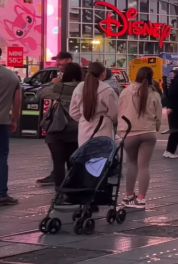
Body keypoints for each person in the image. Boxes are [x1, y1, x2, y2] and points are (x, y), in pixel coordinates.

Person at [118, 66, 163, 208]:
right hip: (148, 132)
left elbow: (119, 111)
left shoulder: (125, 92)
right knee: (144, 166)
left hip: (130, 132)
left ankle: (128, 195)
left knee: (131, 163)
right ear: (151, 77)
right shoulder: (154, 94)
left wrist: (121, 130)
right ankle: (141, 199)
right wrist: (154, 129)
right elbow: (159, 116)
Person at [36, 63, 82, 191]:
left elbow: (40, 93)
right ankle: (72, 190)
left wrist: (53, 82)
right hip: (75, 129)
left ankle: (60, 192)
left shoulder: (59, 87)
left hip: (57, 129)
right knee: (72, 162)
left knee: (58, 163)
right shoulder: (83, 88)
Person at [70, 62, 118, 146]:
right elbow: (114, 113)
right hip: (103, 130)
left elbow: (73, 112)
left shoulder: (79, 87)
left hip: (84, 131)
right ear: (103, 74)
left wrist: (84, 118)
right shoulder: (107, 89)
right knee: (103, 157)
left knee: (86, 156)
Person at [0, 47, 20, 206]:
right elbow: (17, 101)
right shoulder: (12, 77)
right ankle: (1, 194)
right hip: (2, 123)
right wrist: (14, 119)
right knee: (1, 158)